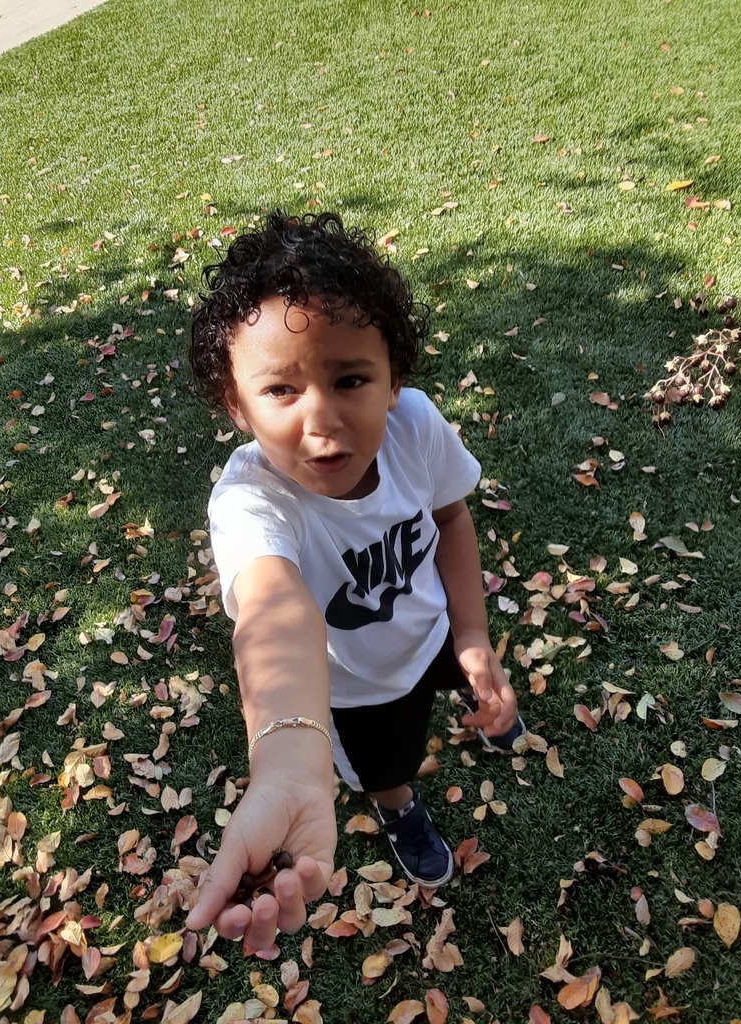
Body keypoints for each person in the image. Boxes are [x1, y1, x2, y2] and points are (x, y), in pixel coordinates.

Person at [185, 211, 523, 953]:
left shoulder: (415, 428)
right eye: (279, 390)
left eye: (350, 378)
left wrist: (472, 635)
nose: (322, 420)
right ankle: (399, 807)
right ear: (235, 405)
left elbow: (452, 519)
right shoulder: (251, 503)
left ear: (395, 379)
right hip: (355, 688)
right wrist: (286, 757)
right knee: (387, 763)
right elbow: (272, 609)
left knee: (466, 675)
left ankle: (478, 690)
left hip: (431, 626)